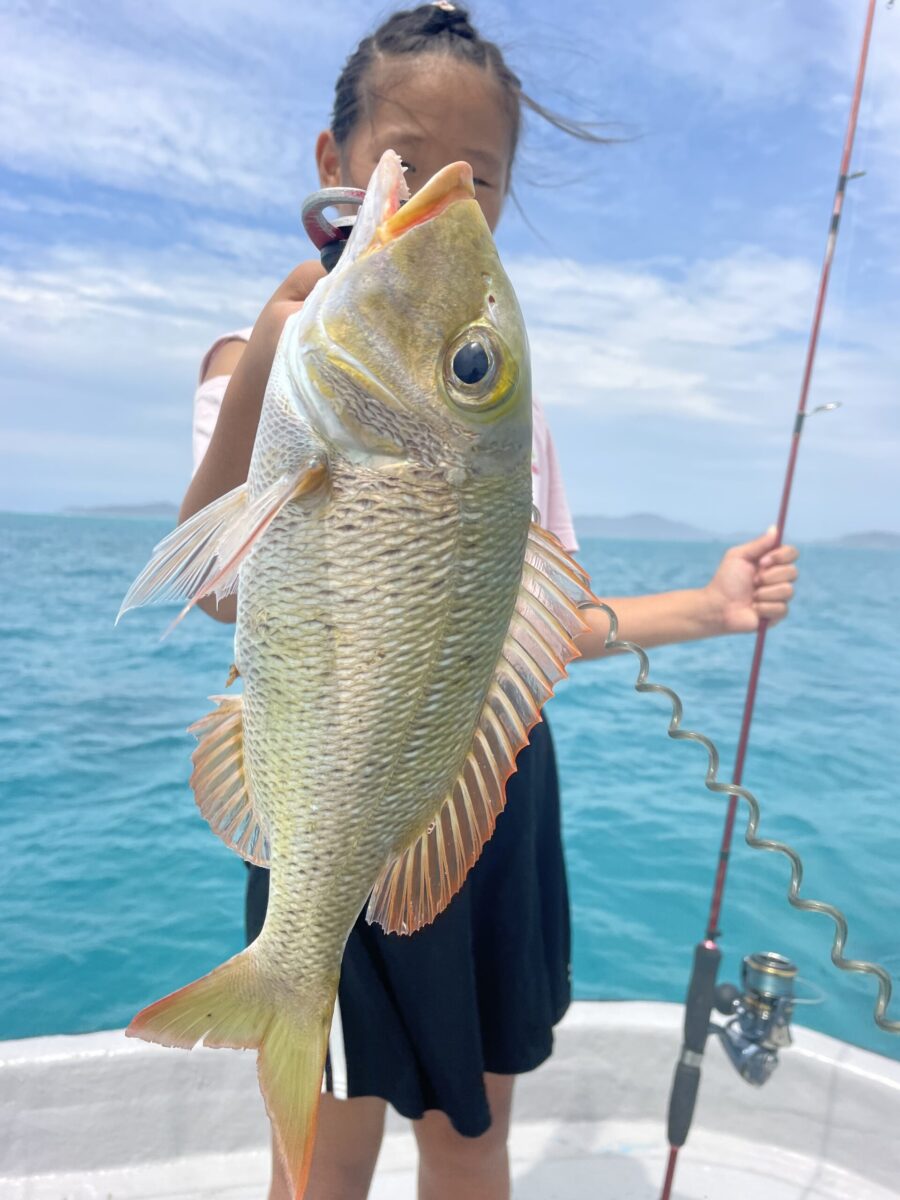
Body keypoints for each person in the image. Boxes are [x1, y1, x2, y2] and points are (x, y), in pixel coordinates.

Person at [183, 6, 799, 1199]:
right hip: (323, 789)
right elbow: (215, 588)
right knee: (324, 1145)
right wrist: (268, 349)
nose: (450, 195)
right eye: (413, 161)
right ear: (334, 161)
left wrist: (712, 608)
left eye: (487, 179)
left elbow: (532, 622)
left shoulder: (488, 407)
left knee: (471, 1134)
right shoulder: (270, 361)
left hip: (486, 795)